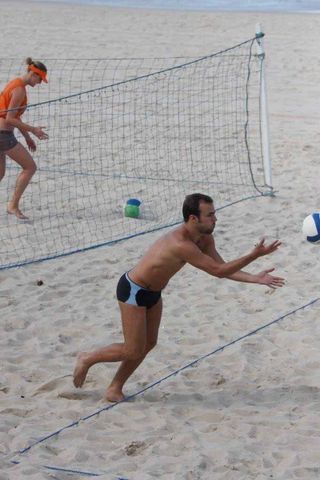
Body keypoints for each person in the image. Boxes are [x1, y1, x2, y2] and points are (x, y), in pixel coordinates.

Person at [73, 193, 285, 402]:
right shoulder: (181, 244)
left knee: (148, 343)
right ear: (194, 218)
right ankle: (87, 358)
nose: (215, 219)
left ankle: (115, 387)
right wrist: (253, 255)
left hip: (153, 293)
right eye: (210, 215)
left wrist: (255, 278)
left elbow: (222, 267)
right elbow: (218, 271)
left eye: (214, 213)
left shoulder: (205, 238)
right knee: (133, 348)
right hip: (133, 290)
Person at [0, 57, 49, 219]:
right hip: (3, 135)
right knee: (30, 167)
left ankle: (12, 206)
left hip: (3, 133)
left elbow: (13, 116)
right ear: (33, 73)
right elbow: (10, 119)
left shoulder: (14, 83)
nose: (40, 82)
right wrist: (34, 130)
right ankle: (13, 206)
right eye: (40, 79)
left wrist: (27, 137)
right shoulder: (19, 90)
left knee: (0, 173)